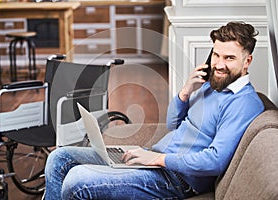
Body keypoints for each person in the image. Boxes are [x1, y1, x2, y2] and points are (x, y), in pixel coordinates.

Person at [44, 21, 264, 199]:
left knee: (76, 180)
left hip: (177, 179)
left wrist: (158, 160)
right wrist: (185, 93)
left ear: (248, 61)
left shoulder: (243, 103)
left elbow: (215, 160)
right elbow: (173, 125)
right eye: (216, 55)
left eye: (229, 58)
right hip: (155, 158)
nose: (219, 64)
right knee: (60, 157)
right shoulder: (211, 85)